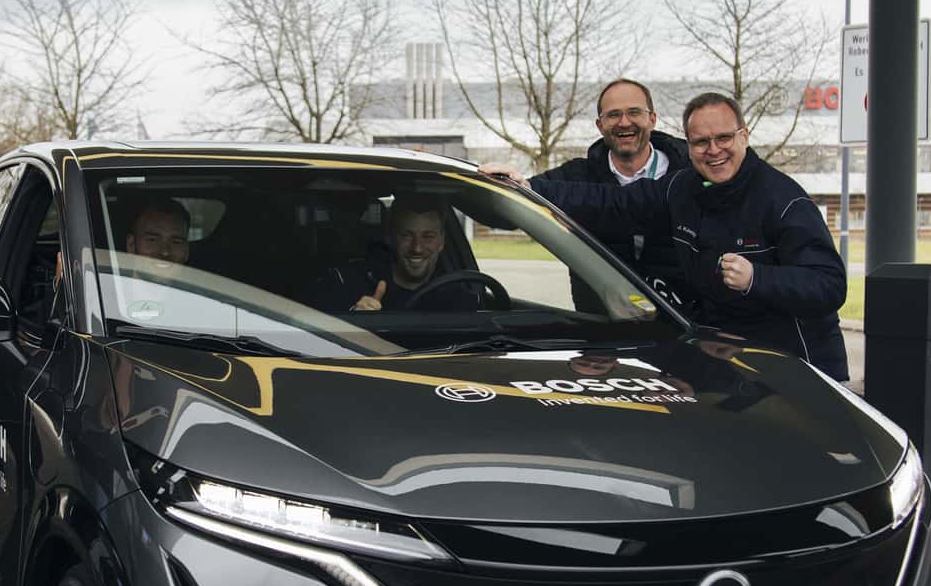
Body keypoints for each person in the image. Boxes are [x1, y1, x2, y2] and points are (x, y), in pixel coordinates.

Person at [499, 92, 849, 380]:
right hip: (729, 363)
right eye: (700, 142)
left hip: (800, 369)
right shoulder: (683, 187)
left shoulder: (784, 200)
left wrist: (758, 277)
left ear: (744, 136)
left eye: (723, 138)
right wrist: (528, 188)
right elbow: (612, 203)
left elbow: (829, 286)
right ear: (689, 144)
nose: (713, 150)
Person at [535, 79, 690, 311]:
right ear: (600, 125)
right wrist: (502, 178)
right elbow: (510, 201)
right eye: (613, 115)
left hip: (682, 325)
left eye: (634, 112)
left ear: (652, 119)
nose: (624, 122)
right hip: (602, 330)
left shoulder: (690, 172)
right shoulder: (574, 176)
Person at [306, 196, 486, 312]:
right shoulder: (350, 285)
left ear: (442, 242)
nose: (417, 248)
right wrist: (355, 319)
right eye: (407, 235)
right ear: (391, 238)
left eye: (428, 236)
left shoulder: (459, 299)